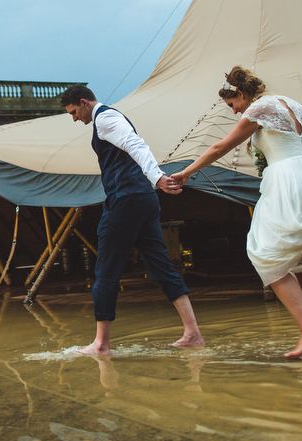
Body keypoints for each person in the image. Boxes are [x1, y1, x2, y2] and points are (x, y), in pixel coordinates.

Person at [171, 67, 302, 358]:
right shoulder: (293, 104)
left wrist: (187, 173)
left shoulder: (259, 108)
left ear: (240, 94)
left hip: (287, 181)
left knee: (265, 256)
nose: (234, 112)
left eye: (232, 105)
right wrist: (300, 157)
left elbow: (220, 147)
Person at [61, 85, 205, 355]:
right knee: (161, 264)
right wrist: (153, 181)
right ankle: (192, 332)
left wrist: (158, 177)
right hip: (143, 199)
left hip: (125, 199)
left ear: (83, 102)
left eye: (73, 112)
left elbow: (135, 144)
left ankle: (101, 343)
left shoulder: (104, 118)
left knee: (106, 268)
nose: (75, 119)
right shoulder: (109, 118)